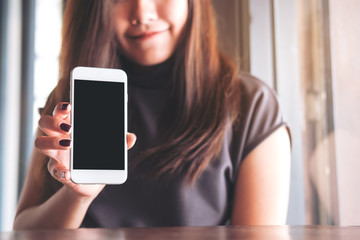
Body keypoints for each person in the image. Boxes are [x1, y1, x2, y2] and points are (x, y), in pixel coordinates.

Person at [13, 0, 291, 229]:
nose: (142, 13)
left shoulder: (251, 104)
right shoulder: (70, 99)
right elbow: (24, 230)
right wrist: (77, 196)